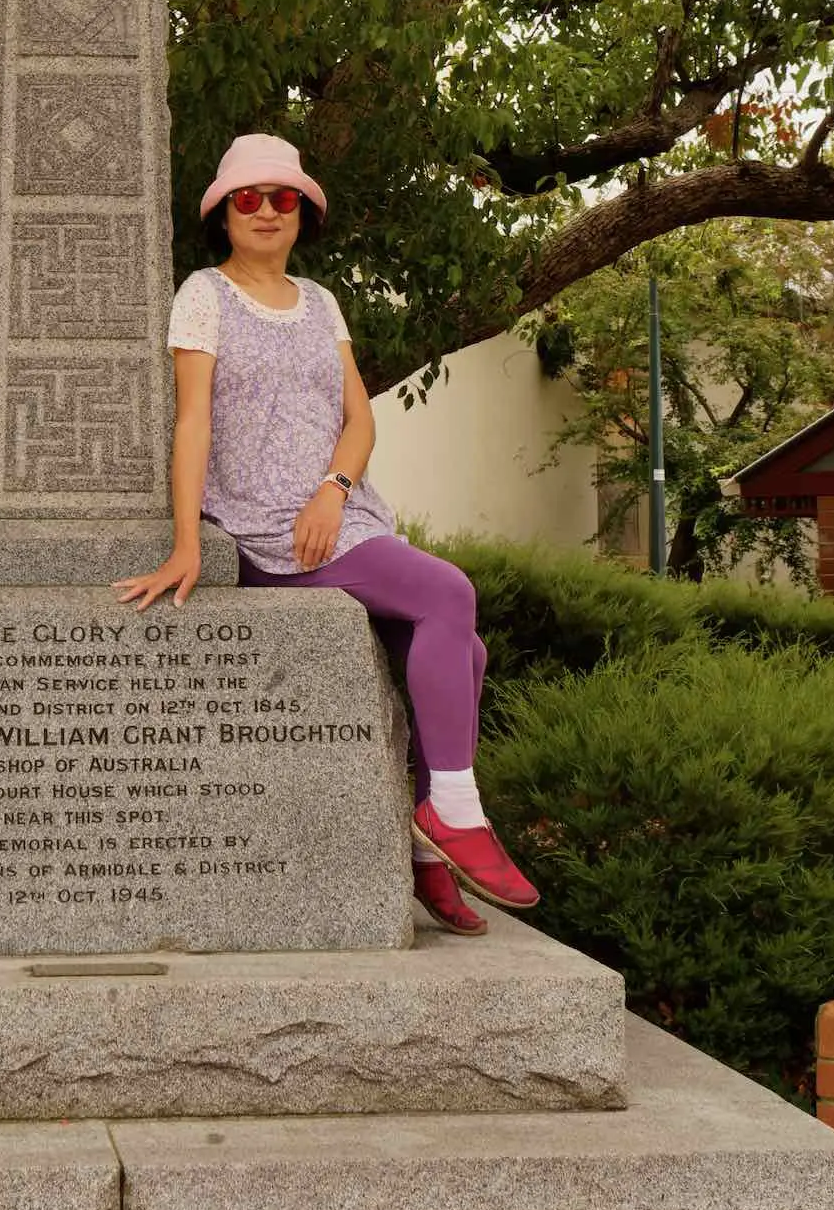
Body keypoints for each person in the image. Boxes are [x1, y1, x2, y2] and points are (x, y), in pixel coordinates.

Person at [114, 131, 538, 933]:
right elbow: (193, 419)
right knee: (449, 592)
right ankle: (452, 815)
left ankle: (424, 851)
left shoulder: (321, 302)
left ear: (303, 213)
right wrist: (185, 542)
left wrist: (333, 491)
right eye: (248, 198)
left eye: (282, 198)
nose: (267, 211)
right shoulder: (203, 294)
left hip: (336, 515)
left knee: (463, 647)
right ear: (223, 216)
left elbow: (357, 418)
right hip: (265, 527)